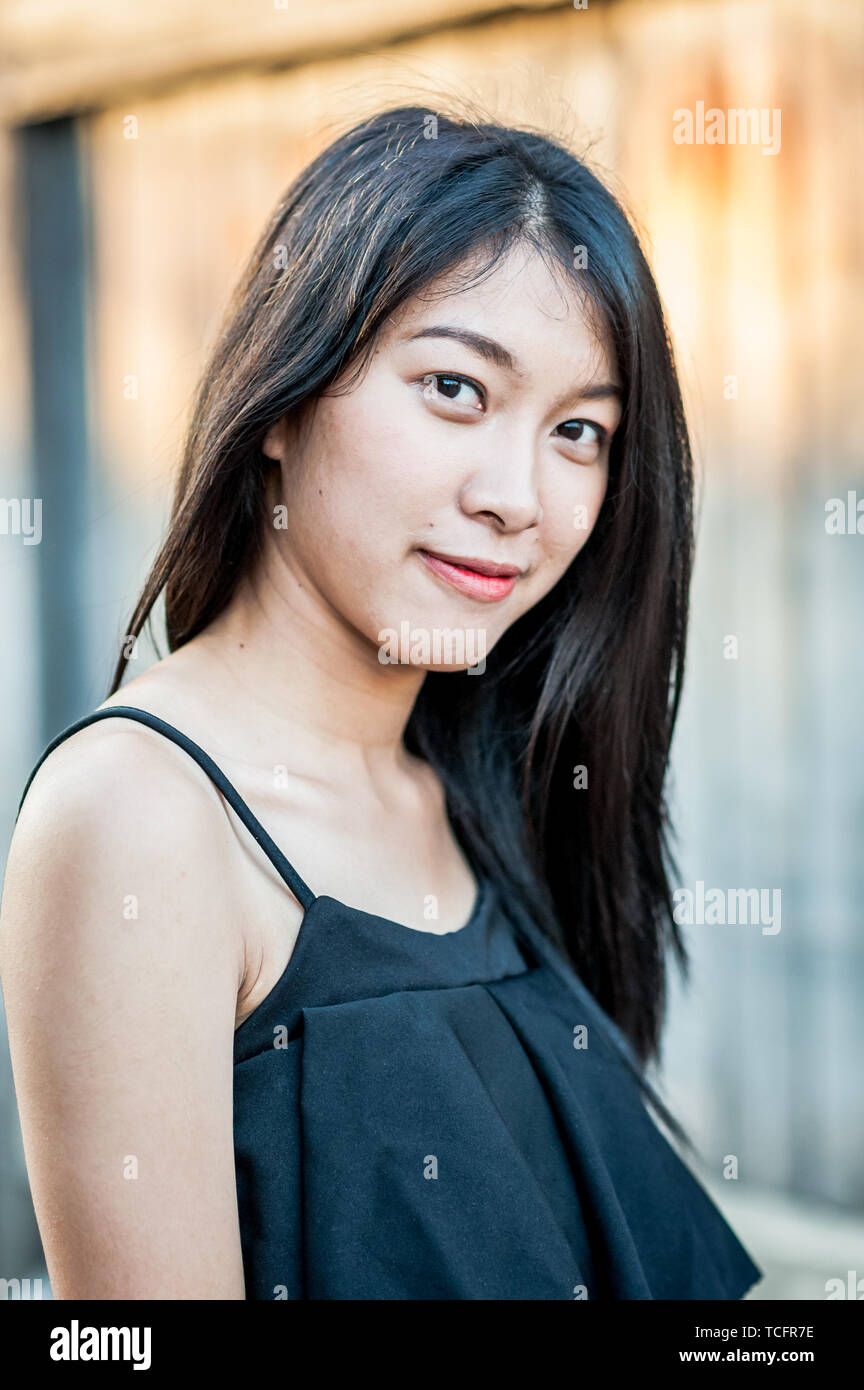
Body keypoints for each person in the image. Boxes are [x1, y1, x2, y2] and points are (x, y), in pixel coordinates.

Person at [0, 105, 762, 1300]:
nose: (519, 495)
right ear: (285, 395)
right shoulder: (141, 818)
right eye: (455, 387)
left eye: (580, 431)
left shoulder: (477, 780)